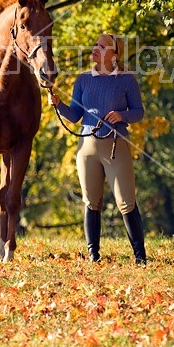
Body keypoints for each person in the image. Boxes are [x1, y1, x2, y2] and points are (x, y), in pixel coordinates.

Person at [48, 34, 146, 265]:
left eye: (102, 47)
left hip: (116, 145)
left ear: (114, 54)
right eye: (95, 45)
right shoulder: (83, 79)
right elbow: (75, 115)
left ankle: (140, 257)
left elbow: (139, 112)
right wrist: (59, 104)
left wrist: (122, 115)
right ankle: (93, 255)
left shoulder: (126, 80)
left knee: (126, 201)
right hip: (87, 147)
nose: (96, 49)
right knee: (91, 201)